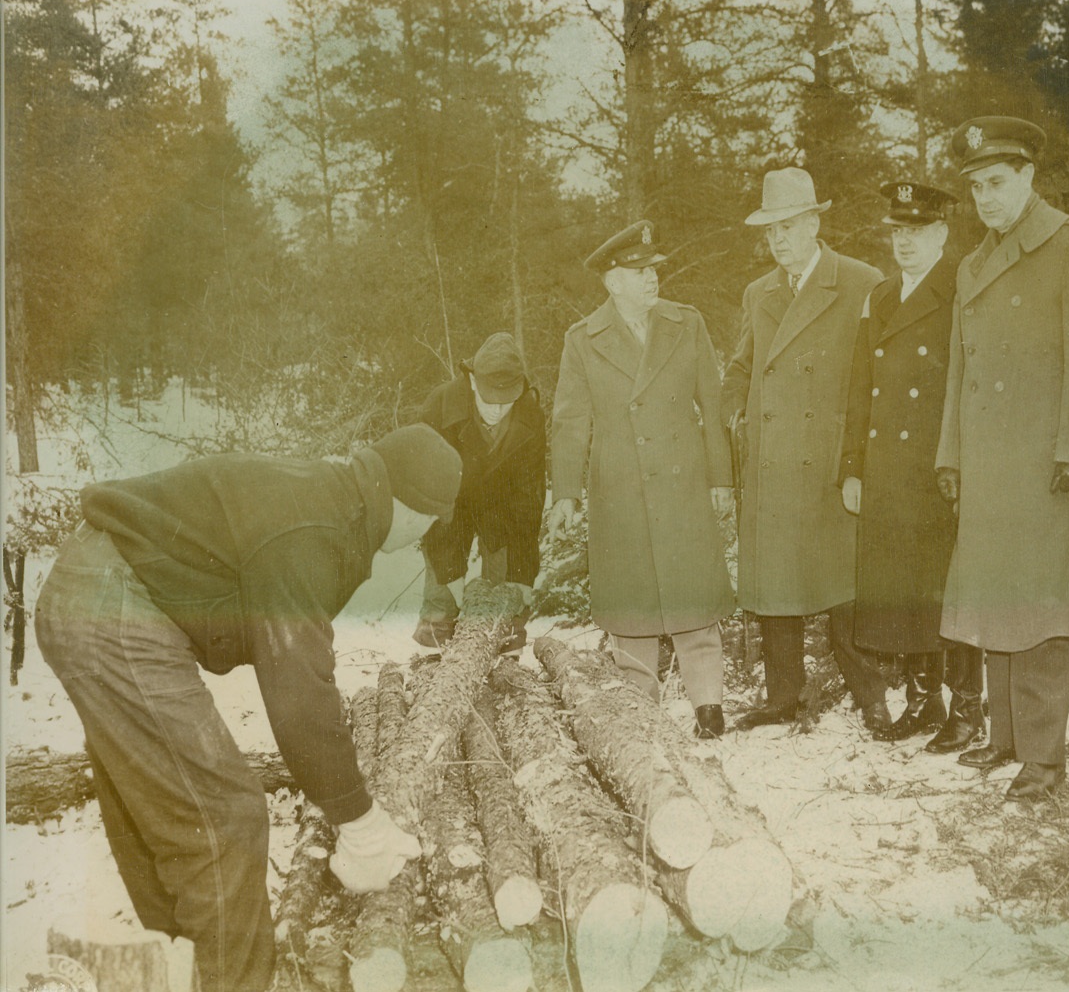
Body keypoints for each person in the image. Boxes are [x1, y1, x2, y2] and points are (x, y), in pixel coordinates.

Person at [33, 425, 463, 992]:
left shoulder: (332, 497)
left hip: (95, 586)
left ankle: (180, 969)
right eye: (433, 521)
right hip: (112, 604)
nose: (426, 536)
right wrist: (359, 820)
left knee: (161, 807)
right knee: (225, 816)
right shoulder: (319, 524)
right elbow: (298, 685)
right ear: (411, 506)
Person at [936, 116, 1069, 799]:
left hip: (1050, 466)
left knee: (1041, 608)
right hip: (989, 465)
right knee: (994, 598)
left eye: (996, 182)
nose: (985, 198)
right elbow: (962, 368)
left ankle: (1044, 761)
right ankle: (1007, 738)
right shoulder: (973, 265)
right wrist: (950, 454)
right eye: (976, 186)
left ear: (1027, 178)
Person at [548, 220, 734, 738]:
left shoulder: (687, 323)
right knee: (632, 605)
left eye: (654, 269)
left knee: (693, 594)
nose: (652, 278)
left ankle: (709, 706)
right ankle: (641, 712)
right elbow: (569, 421)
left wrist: (721, 478)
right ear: (613, 282)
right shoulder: (583, 339)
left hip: (683, 480)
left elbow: (713, 403)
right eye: (639, 271)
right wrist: (565, 492)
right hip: (620, 488)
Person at [723, 167, 890, 733]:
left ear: (816, 222)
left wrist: (865, 456)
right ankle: (783, 695)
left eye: (790, 227)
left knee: (843, 580)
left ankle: (870, 691)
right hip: (773, 455)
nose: (780, 241)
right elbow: (744, 362)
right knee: (777, 580)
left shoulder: (863, 282)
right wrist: (728, 407)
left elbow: (878, 374)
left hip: (831, 454)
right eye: (771, 231)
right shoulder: (758, 292)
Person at [839, 181, 986, 752]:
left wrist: (965, 464)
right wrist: (852, 466)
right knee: (902, 588)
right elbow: (860, 388)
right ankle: (923, 701)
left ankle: (969, 708)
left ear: (943, 234)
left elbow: (972, 384)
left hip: (938, 468)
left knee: (946, 589)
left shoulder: (960, 289)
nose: (905, 242)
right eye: (898, 231)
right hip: (887, 470)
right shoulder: (879, 297)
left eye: (917, 231)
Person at [413, 332, 546, 653]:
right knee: (441, 600)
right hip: (449, 509)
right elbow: (432, 500)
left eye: (508, 401)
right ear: (472, 381)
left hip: (502, 511)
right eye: (490, 400)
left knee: (506, 603)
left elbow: (529, 501)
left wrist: (523, 576)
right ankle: (431, 670)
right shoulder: (440, 408)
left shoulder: (531, 415)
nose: (499, 411)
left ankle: (506, 673)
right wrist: (451, 576)